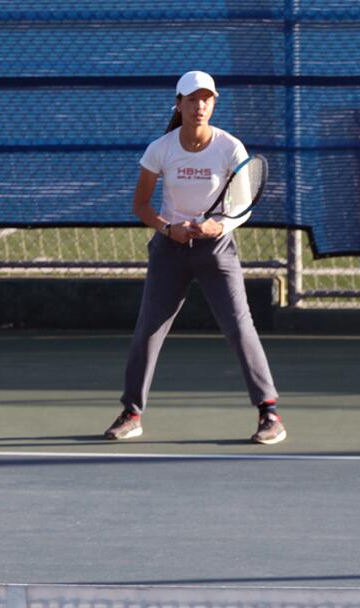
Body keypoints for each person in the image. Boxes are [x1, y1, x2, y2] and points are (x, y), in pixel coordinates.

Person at [103, 70, 284, 445]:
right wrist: (169, 229)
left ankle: (269, 413)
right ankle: (132, 413)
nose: (200, 106)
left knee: (239, 327)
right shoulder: (161, 149)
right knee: (148, 332)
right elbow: (141, 205)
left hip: (216, 250)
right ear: (179, 104)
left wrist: (219, 226)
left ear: (213, 103)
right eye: (192, 99)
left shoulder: (231, 148)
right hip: (170, 250)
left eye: (207, 99)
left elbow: (242, 207)